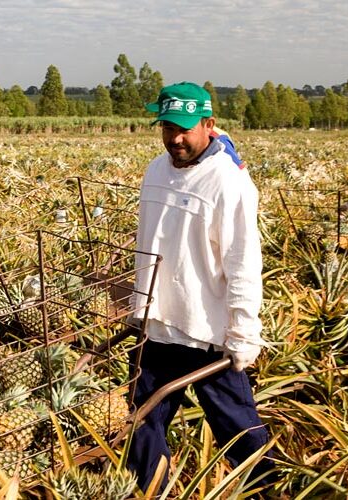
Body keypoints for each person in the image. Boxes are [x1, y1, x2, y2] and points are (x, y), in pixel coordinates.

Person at [128, 82, 277, 492]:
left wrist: (244, 332)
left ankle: (265, 488)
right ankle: (148, 490)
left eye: (185, 128)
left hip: (206, 330)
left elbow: (243, 263)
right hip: (157, 323)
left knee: (237, 427)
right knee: (142, 421)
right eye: (167, 127)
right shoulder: (156, 169)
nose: (175, 137)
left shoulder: (227, 182)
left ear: (209, 125)